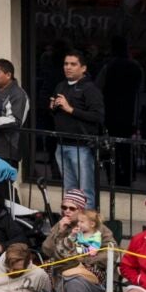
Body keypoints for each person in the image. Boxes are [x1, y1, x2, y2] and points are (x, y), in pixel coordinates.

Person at [46, 50, 105, 208]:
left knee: (85, 192)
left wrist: (70, 108)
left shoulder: (90, 89)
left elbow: (98, 117)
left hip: (82, 147)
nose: (68, 67)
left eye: (73, 64)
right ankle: (72, 226)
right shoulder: (61, 85)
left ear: (83, 68)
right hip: (62, 144)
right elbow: (57, 113)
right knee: (69, 191)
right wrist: (53, 107)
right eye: (66, 64)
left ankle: (88, 228)